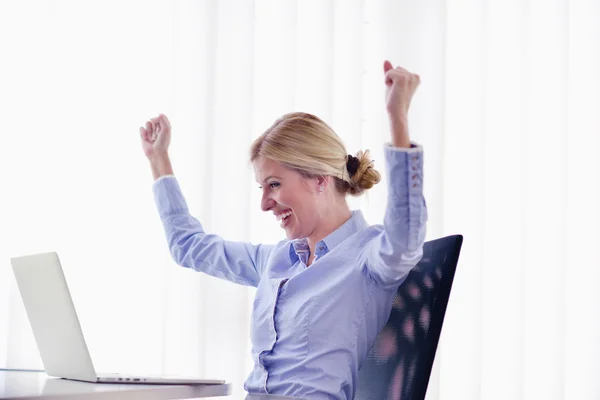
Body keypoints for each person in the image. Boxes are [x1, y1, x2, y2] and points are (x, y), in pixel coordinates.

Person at [139, 60, 427, 400]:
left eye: (273, 185)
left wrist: (398, 120)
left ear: (320, 178)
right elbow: (188, 247)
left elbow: (406, 236)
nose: (264, 204)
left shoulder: (371, 257)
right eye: (262, 188)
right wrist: (158, 160)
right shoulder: (276, 261)